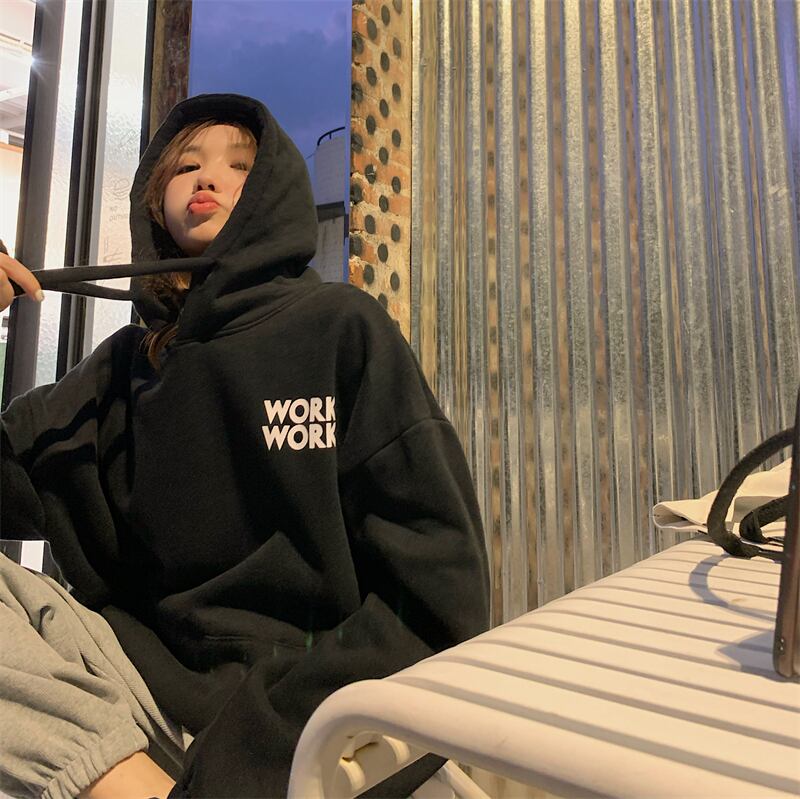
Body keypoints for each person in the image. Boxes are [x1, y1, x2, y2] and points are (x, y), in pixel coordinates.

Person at [0, 93, 490, 798]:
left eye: (239, 165)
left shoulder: (337, 328)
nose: (207, 176)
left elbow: (439, 597)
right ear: (154, 202)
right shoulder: (123, 368)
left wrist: (251, 760)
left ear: (273, 192)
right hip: (139, 703)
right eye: (185, 166)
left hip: (302, 720)